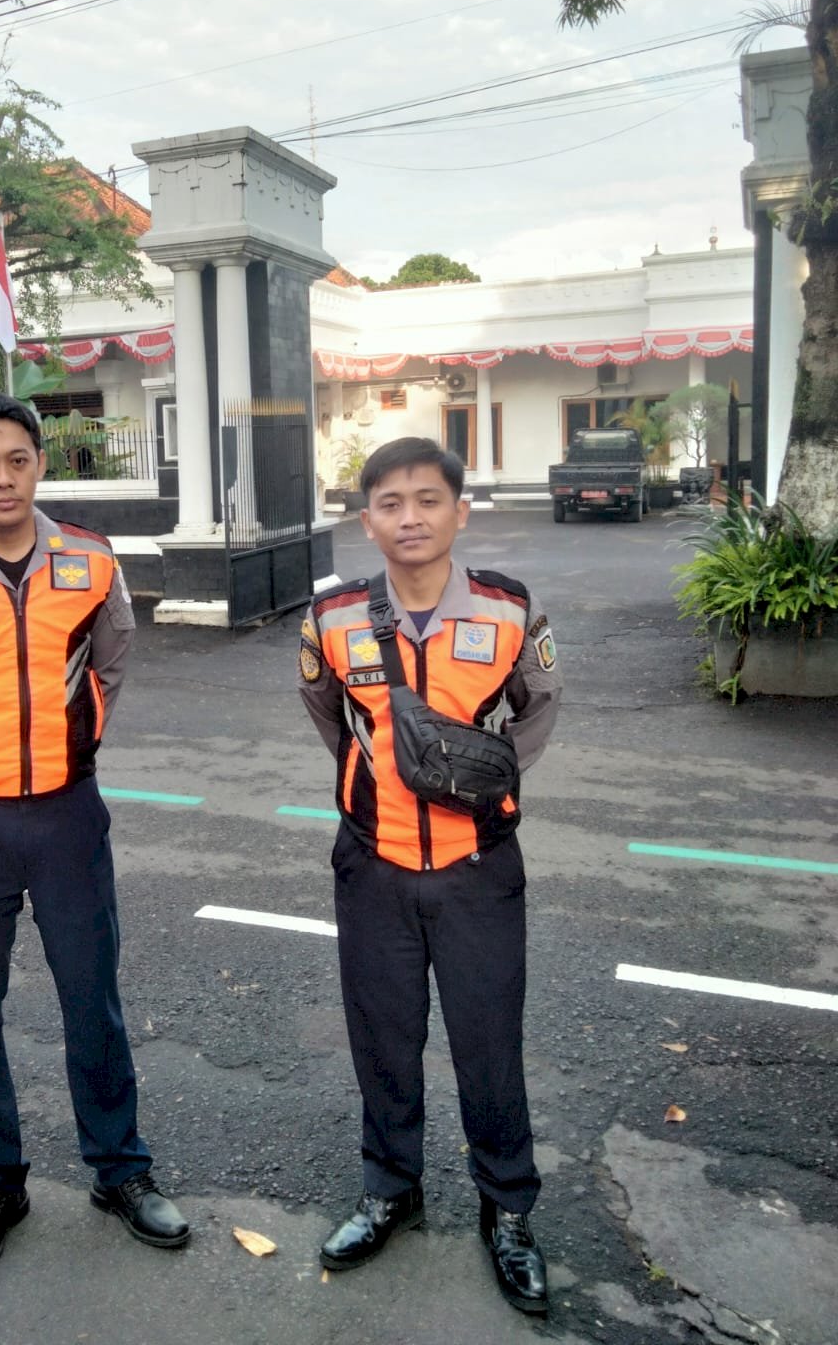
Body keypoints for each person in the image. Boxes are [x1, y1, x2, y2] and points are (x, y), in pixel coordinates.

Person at [0, 390, 188, 1282]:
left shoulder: (90, 560)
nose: (3, 478)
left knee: (93, 998)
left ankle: (120, 1172)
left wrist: (69, 745)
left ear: (40, 463)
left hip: (67, 815)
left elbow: (113, 663)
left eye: (18, 460)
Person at [298, 436, 561, 1316]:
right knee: (383, 1037)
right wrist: (376, 782)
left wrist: (483, 782)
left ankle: (508, 1209)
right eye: (389, 503)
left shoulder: (508, 610)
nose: (409, 517)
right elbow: (327, 712)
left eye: (427, 500)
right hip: (372, 864)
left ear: (460, 511)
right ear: (366, 519)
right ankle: (390, 1189)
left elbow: (539, 705)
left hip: (478, 866)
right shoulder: (333, 617)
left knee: (489, 1044)